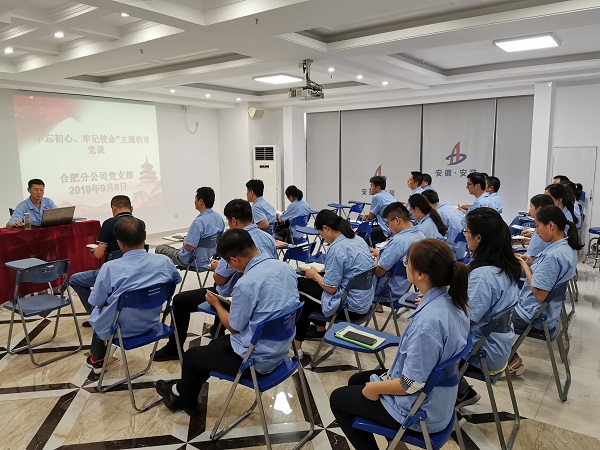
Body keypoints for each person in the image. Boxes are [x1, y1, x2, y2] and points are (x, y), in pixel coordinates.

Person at [330, 239, 469, 450]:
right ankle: (397, 445)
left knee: (338, 399)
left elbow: (410, 384)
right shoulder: (454, 301)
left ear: (421, 274)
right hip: (440, 399)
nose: (405, 265)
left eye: (407, 262)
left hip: (420, 412)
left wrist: (375, 388)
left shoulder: (427, 323)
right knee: (356, 380)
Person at [155, 228, 300, 416]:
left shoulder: (247, 283)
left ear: (234, 260)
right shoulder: (285, 269)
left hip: (256, 362)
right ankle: (180, 390)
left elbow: (233, 326)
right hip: (281, 350)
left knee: (192, 356)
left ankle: (183, 401)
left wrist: (217, 304)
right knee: (214, 346)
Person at [153, 199, 277, 361]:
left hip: (238, 298)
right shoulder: (267, 238)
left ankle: (174, 349)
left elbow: (219, 280)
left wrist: (218, 268)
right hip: (264, 296)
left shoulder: (235, 241)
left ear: (234, 220)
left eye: (229, 221)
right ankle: (217, 330)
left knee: (181, 300)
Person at [85, 217, 182, 373]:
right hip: (153, 324)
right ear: (145, 236)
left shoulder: (110, 268)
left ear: (119, 243)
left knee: (99, 309)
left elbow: (98, 302)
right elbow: (175, 281)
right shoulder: (164, 262)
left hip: (119, 331)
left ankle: (97, 359)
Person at [455, 208, 521, 409]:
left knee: (430, 345)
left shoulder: (483, 277)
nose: (465, 236)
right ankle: (460, 391)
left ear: (478, 238)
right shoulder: (505, 267)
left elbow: (463, 321)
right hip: (500, 346)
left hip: (482, 353)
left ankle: (441, 402)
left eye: (466, 231)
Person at [508, 205, 582, 375]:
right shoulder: (565, 247)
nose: (536, 231)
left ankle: (509, 360)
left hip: (532, 314)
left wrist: (524, 266)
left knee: (491, 316)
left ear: (551, 225)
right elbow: (548, 275)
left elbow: (540, 295)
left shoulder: (554, 256)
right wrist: (532, 263)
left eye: (537, 226)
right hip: (546, 312)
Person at [296, 210, 374, 352]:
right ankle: (317, 331)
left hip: (349, 307)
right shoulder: (357, 239)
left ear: (326, 228)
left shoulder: (337, 248)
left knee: (301, 286)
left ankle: (296, 346)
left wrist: (314, 274)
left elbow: (331, 288)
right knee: (309, 295)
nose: (324, 240)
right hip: (364, 302)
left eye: (321, 235)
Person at [70, 195, 134, 320]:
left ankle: (97, 316)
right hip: (133, 271)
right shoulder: (138, 223)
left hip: (112, 272)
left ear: (113, 209)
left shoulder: (109, 223)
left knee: (74, 280)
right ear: (131, 208)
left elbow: (99, 255)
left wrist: (96, 250)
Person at [155, 187, 224, 267]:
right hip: (209, 259)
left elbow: (190, 247)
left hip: (192, 260)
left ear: (200, 201)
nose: (194, 201)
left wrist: (185, 242)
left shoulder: (198, 222)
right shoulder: (219, 218)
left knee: (160, 248)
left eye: (195, 199)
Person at [370, 202, 425, 296]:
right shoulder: (421, 236)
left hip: (387, 291)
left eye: (388, 223)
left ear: (397, 220)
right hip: (404, 286)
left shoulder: (398, 242)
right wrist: (381, 253)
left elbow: (379, 272)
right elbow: (399, 256)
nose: (388, 227)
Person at [421, 190, 465, 259]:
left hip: (451, 253)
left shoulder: (437, 214)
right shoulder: (453, 209)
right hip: (462, 249)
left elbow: (436, 238)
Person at [362, 175, 396, 244]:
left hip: (385, 230)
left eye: (371, 186)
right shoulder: (388, 195)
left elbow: (370, 217)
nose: (369, 188)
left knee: (360, 234)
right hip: (393, 229)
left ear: (378, 187)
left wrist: (366, 216)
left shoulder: (377, 197)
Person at [520, 194, 554, 261]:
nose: (529, 210)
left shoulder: (542, 230)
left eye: (531, 207)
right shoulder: (547, 226)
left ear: (539, 209)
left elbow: (531, 257)